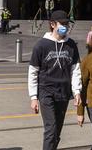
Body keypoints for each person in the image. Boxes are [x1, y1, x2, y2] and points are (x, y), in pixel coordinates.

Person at [28, 10, 82, 150]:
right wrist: (34, 97)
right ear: (52, 24)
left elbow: (75, 70)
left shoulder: (71, 45)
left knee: (57, 132)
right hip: (46, 91)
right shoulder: (41, 45)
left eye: (67, 24)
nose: (66, 26)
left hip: (63, 93)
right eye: (62, 23)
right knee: (51, 130)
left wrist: (77, 92)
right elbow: (33, 71)